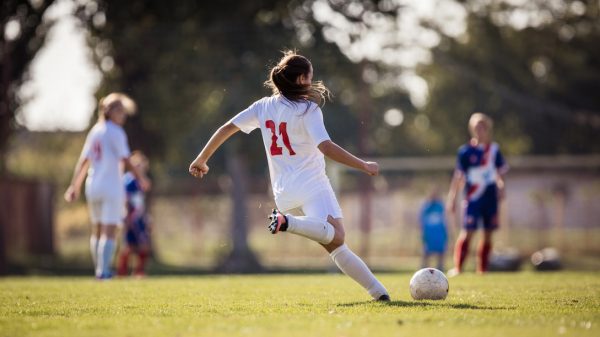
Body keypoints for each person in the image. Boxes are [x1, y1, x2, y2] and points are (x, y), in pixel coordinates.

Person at [189, 51, 390, 301]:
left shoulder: (262, 106)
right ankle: (288, 222)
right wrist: (364, 165)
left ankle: (379, 293)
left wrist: (201, 159)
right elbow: (325, 147)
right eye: (310, 77)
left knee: (336, 245)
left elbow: (227, 128)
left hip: (283, 192)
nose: (312, 81)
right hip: (312, 185)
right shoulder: (308, 110)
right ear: (300, 79)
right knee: (337, 235)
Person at [64, 93, 150, 279]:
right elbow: (126, 159)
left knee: (97, 228)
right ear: (108, 110)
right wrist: (141, 179)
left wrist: (74, 186)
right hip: (111, 185)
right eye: (119, 110)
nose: (123, 115)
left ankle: (99, 270)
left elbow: (84, 161)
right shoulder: (116, 131)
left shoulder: (95, 130)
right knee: (109, 229)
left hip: (92, 185)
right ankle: (103, 272)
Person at [446, 112, 509, 275]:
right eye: (476, 127)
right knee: (468, 232)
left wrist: (501, 187)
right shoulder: (465, 152)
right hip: (472, 198)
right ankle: (458, 268)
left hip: (490, 198)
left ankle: (482, 269)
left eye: (483, 127)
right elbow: (458, 177)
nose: (480, 131)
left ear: (487, 129)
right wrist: (452, 198)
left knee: (488, 234)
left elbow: (500, 174)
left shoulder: (494, 150)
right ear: (472, 129)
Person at [117, 151, 152, 277]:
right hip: (131, 217)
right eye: (137, 165)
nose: (140, 168)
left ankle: (138, 271)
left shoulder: (140, 180)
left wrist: (146, 217)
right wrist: (126, 215)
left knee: (143, 245)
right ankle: (122, 272)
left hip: (139, 216)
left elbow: (143, 195)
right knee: (129, 246)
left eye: (141, 165)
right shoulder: (128, 180)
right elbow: (126, 199)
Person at [419, 187, 448, 272]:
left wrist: (445, 232)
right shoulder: (426, 207)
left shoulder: (440, 206)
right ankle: (423, 269)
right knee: (426, 251)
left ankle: (440, 268)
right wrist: (423, 232)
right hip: (429, 233)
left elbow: (444, 219)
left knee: (441, 251)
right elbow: (422, 220)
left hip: (439, 233)